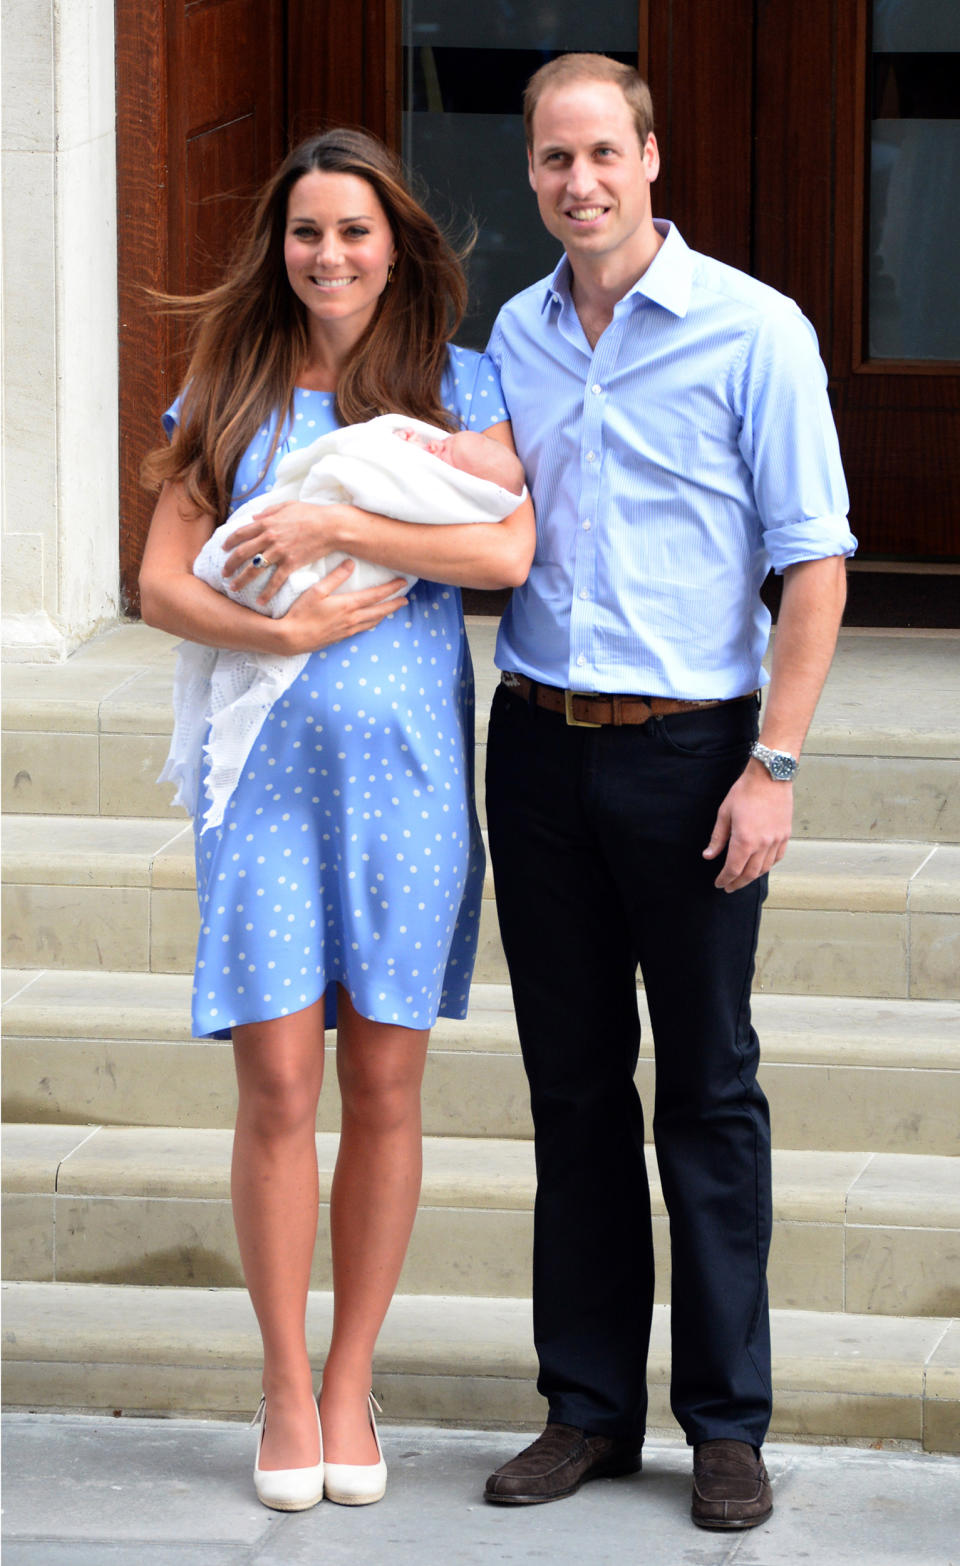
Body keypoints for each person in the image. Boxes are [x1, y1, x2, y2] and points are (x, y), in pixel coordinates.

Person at [481, 54, 855, 1531]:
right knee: (571, 1088)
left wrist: (775, 761)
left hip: (695, 755)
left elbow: (813, 559)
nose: (580, 181)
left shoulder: (754, 331)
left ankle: (725, 1422)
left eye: (603, 153)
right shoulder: (509, 335)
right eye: (554, 159)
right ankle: (584, 1405)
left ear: (650, 157)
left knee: (705, 1088)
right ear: (530, 174)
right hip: (537, 745)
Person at [139, 126, 534, 1513]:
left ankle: (353, 1375)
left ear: (396, 244)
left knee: (381, 1084)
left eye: (354, 232)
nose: (329, 255)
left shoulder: (456, 383)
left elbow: (503, 547)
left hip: (408, 784)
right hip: (262, 792)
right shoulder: (231, 386)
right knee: (278, 1087)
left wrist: (331, 524)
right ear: (280, 246)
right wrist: (290, 616)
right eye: (308, 232)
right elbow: (159, 584)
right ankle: (284, 1383)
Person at [162, 416, 526, 835]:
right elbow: (160, 590)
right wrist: (280, 636)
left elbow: (507, 557)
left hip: (405, 762)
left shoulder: (465, 381)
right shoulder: (223, 393)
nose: (436, 450)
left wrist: (335, 528)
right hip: (262, 764)